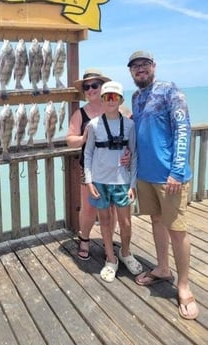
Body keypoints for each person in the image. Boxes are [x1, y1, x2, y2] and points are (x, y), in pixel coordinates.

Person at [127, 50, 199, 319]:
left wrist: (177, 171)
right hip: (145, 175)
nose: (140, 69)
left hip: (170, 178)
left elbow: (183, 128)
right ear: (131, 72)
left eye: (144, 64)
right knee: (156, 221)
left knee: (177, 230)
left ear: (154, 66)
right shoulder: (135, 97)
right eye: (135, 66)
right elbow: (139, 129)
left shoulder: (171, 91)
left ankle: (183, 285)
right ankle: (162, 269)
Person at [83, 81, 143, 282]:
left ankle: (125, 253)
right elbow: (88, 153)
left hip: (122, 182)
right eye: (107, 97)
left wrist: (133, 184)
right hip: (100, 181)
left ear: (120, 100)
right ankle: (110, 258)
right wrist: (89, 182)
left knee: (125, 222)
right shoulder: (93, 125)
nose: (110, 101)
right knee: (105, 221)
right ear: (102, 99)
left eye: (114, 97)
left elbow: (133, 155)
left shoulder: (130, 125)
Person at [66, 68, 119, 260]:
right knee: (88, 207)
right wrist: (82, 138)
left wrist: (129, 151)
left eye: (94, 86)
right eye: (86, 87)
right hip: (88, 168)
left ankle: (108, 241)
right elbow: (70, 139)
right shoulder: (80, 114)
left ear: (102, 87)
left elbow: (131, 130)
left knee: (111, 207)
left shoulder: (117, 107)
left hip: (114, 169)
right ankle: (84, 239)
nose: (90, 90)